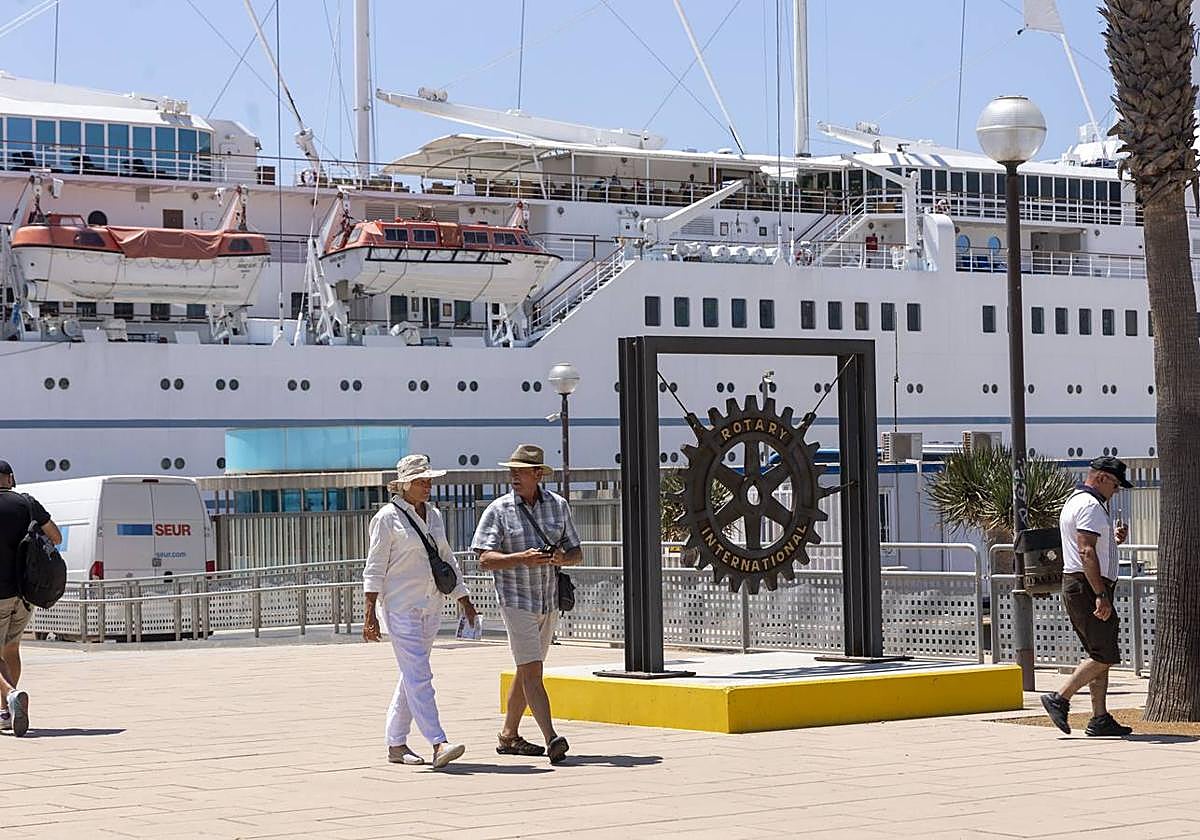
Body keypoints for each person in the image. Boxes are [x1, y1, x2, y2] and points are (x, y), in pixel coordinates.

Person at [363, 454, 478, 768]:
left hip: (431, 603)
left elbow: (446, 558)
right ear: (403, 485)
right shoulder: (387, 518)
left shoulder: (435, 515)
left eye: (429, 480)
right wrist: (370, 611)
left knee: (412, 675)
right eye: (420, 481)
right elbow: (373, 567)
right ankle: (438, 742)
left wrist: (463, 597)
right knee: (420, 675)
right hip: (400, 606)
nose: (427, 486)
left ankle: (396, 743)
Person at [471, 444, 582, 764]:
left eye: (520, 471)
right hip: (515, 600)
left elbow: (577, 552)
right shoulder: (499, 510)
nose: (513, 476)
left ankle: (508, 736)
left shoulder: (558, 506)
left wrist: (562, 558)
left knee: (526, 669)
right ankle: (552, 737)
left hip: (548, 600)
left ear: (537, 474)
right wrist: (522, 559)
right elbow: (484, 559)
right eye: (512, 471)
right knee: (533, 671)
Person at [1040, 456, 1134, 737]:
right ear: (1102, 478)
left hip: (1084, 585)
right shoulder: (1090, 506)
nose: (1116, 491)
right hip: (1087, 587)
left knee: (1098, 652)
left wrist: (1113, 540)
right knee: (1105, 655)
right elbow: (1086, 551)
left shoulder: (1078, 502)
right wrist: (1100, 595)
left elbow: (1092, 546)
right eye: (1115, 484)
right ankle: (1060, 697)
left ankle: (1100, 717)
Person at [0, 459, 61, 737]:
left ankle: (11, 696)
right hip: (25, 594)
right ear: (10, 478)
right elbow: (56, 537)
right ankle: (6, 712)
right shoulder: (27, 503)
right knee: (11, 649)